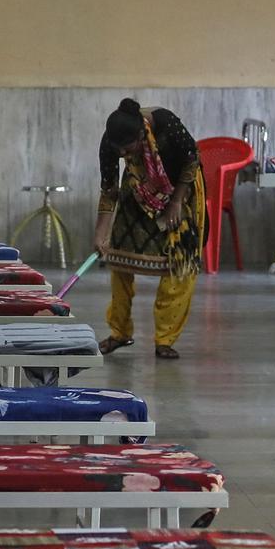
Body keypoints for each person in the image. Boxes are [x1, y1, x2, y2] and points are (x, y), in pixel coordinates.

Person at [94, 98, 205, 359]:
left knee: (179, 263)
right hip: (138, 185)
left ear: (142, 135)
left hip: (181, 187)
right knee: (119, 260)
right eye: (118, 149)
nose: (122, 154)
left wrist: (176, 202)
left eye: (127, 148)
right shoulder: (111, 143)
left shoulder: (166, 124)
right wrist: (100, 234)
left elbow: (192, 159)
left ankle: (165, 340)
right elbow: (109, 190)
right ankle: (119, 332)